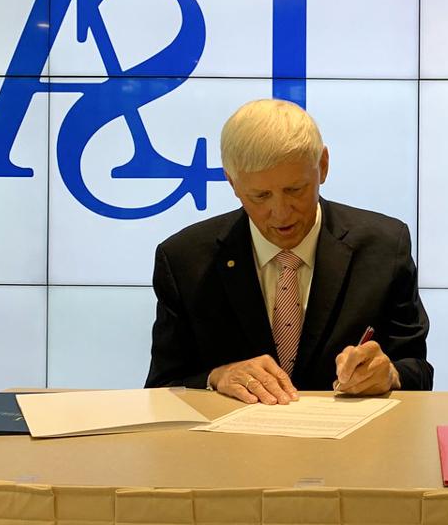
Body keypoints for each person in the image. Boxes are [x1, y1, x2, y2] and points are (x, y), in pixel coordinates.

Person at [146, 98, 432, 403]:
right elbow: (162, 388)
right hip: (232, 446)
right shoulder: (185, 260)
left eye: (295, 190)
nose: (281, 213)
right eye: (260, 195)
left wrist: (389, 375)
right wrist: (217, 377)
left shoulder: (385, 246)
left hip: (352, 445)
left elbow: (418, 370)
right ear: (232, 183)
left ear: (322, 166)